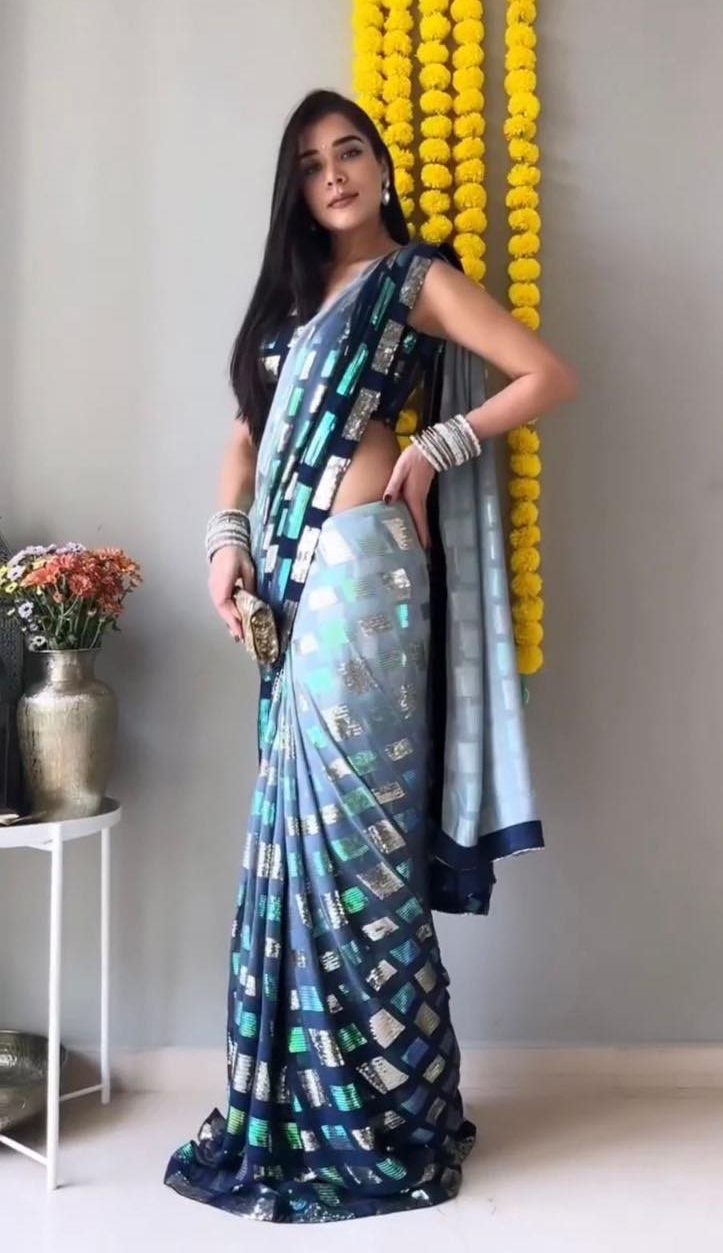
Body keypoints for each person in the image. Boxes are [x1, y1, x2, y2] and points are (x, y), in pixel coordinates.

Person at [163, 88, 578, 1224]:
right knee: (293, 836)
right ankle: (299, 1106)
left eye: (349, 151)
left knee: (356, 837)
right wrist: (225, 543)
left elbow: (544, 374)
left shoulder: (414, 280)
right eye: (310, 163)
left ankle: (389, 1112)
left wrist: (440, 444)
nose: (333, 173)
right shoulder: (289, 302)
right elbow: (244, 438)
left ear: (382, 166)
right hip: (282, 583)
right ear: (294, 190)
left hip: (363, 574)